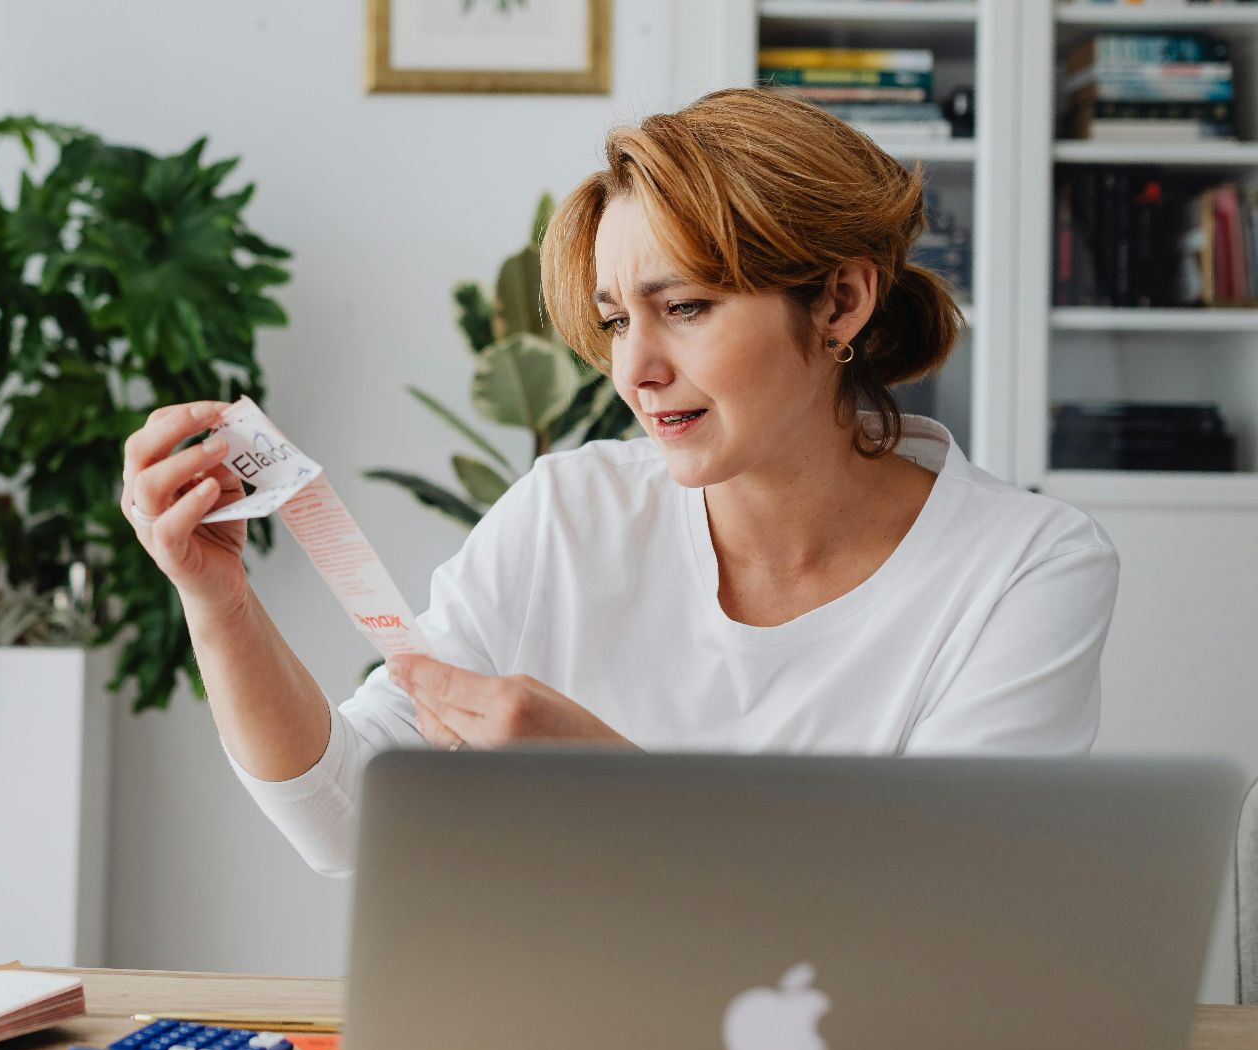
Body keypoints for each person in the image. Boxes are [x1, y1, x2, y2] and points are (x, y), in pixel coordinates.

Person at [117, 88, 1120, 876]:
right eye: (612, 321)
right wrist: (218, 602)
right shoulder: (569, 513)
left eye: (682, 306)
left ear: (842, 301)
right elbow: (348, 821)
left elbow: (946, 911)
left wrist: (608, 784)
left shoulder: (1024, 567)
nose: (632, 371)